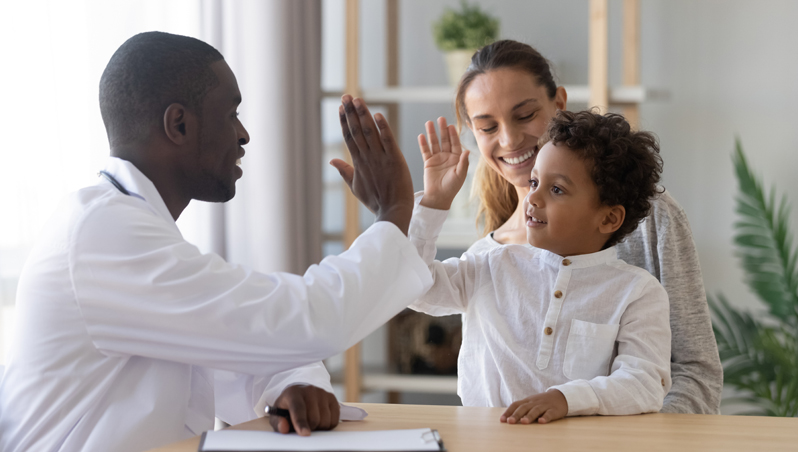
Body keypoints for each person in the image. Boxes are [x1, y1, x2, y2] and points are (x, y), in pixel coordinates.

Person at [0, 32, 430, 452]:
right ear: (179, 124)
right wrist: (392, 214)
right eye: (231, 114)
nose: (243, 135)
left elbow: (236, 339)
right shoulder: (103, 235)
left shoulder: (126, 226)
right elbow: (298, 319)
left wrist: (289, 384)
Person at [435, 39, 722, 415]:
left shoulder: (653, 218)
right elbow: (412, 287)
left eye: (524, 116)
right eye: (487, 126)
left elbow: (694, 372)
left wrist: (629, 440)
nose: (509, 139)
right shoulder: (489, 258)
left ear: (558, 104)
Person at [410, 109, 671, 423]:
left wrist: (566, 399)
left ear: (608, 218)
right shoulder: (491, 264)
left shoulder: (638, 293)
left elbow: (644, 384)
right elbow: (414, 287)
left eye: (556, 189)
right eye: (534, 182)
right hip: (482, 441)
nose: (532, 198)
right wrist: (433, 204)